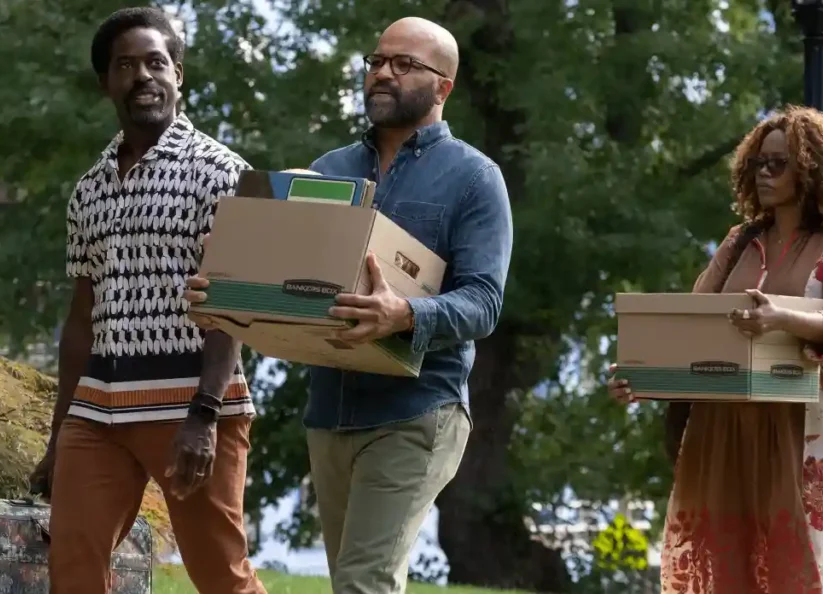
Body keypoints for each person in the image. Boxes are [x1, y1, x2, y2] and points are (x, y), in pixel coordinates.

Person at [184, 16, 514, 594]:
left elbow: (484, 303)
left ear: (444, 86)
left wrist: (404, 315)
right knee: (352, 582)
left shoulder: (474, 178)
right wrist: (229, 298)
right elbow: (289, 287)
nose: (383, 73)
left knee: (365, 583)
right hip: (330, 411)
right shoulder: (327, 171)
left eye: (404, 64)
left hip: (418, 408)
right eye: (377, 61)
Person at [26, 7, 266, 594]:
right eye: (125, 65)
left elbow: (234, 305)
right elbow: (81, 320)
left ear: (178, 73)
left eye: (156, 62)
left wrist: (205, 415)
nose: (142, 76)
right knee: (73, 569)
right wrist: (59, 433)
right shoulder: (89, 189)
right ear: (106, 82)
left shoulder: (223, 173)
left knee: (220, 576)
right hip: (99, 409)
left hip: (190, 406)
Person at [609, 105, 823, 593]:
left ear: (813, 169)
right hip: (725, 425)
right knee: (727, 569)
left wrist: (782, 317)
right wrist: (642, 375)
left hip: (801, 429)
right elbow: (694, 326)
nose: (765, 173)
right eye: (759, 163)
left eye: (780, 163)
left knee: (801, 568)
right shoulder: (740, 241)